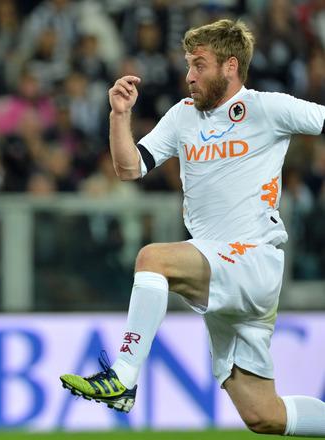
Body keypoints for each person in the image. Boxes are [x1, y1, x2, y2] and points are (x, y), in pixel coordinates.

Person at [59, 19, 325, 437]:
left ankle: (123, 377)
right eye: (188, 65)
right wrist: (119, 115)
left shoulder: (268, 107)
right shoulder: (182, 116)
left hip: (252, 260)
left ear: (230, 66)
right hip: (218, 270)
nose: (189, 76)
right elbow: (130, 168)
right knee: (264, 415)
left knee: (153, 258)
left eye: (199, 65)